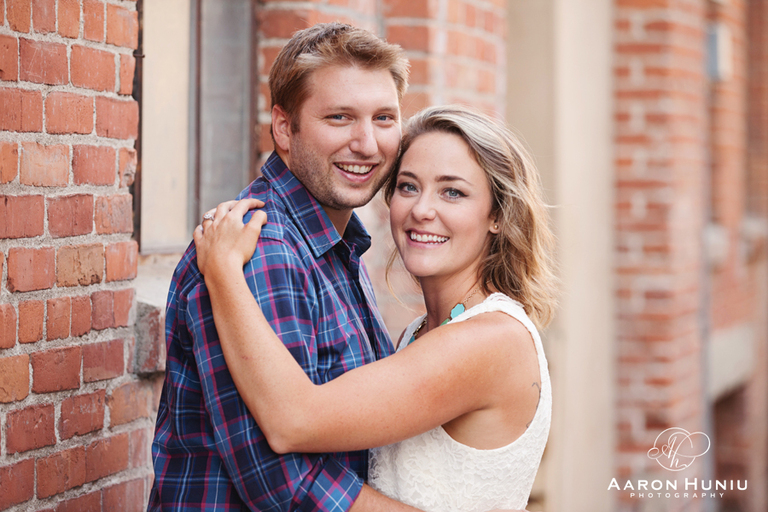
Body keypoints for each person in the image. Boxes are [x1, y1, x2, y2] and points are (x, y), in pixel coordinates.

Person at [194, 105, 558, 511]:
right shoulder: (418, 333)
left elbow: (293, 421)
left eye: (452, 191)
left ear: (497, 215)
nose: (422, 209)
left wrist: (223, 271)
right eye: (408, 186)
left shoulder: (491, 340)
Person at [149, 23, 424, 511]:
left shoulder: (335, 244)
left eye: (384, 118)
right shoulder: (263, 248)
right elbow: (285, 487)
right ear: (283, 128)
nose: (367, 143)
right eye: (340, 118)